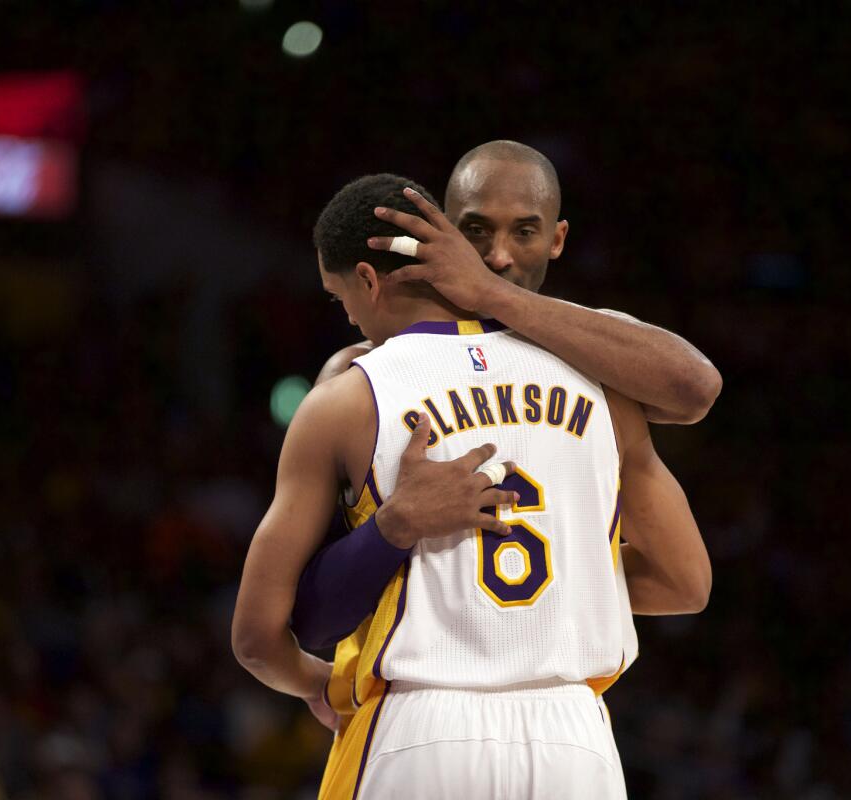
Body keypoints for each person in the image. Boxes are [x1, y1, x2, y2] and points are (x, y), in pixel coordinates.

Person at [232, 173, 711, 799]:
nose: (344, 312)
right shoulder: (605, 377)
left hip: (421, 724)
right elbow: (687, 582)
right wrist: (568, 581)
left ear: (369, 281)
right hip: (574, 739)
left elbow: (260, 635)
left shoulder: (348, 392)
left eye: (337, 296)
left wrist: (319, 682)